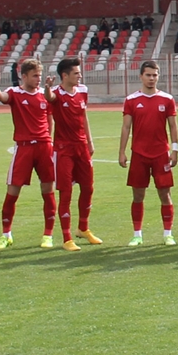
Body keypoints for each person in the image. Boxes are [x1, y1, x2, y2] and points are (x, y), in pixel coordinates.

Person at [0, 59, 57, 249]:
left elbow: (50, 120)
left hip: (43, 147)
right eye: (34, 76)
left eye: (39, 76)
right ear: (23, 76)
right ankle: (6, 234)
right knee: (12, 191)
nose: (38, 79)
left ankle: (48, 235)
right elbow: (1, 97)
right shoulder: (15, 93)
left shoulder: (44, 95)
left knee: (48, 191)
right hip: (23, 148)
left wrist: (48, 140)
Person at [44, 58, 102, 251]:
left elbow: (84, 116)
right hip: (63, 150)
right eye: (76, 73)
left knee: (88, 188)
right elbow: (49, 98)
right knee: (66, 192)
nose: (80, 76)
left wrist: (89, 140)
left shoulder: (83, 91)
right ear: (65, 76)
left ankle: (83, 228)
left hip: (81, 147)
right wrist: (47, 88)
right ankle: (67, 237)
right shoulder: (57, 94)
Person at [119, 61, 178, 246]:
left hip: (161, 154)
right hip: (139, 154)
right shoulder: (131, 100)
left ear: (158, 76)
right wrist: (122, 152)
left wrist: (175, 149)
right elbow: (126, 127)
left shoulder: (167, 99)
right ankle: (137, 234)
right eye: (148, 75)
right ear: (141, 76)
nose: (152, 78)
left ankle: (168, 234)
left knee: (165, 194)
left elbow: (173, 126)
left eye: (155, 75)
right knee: (138, 195)